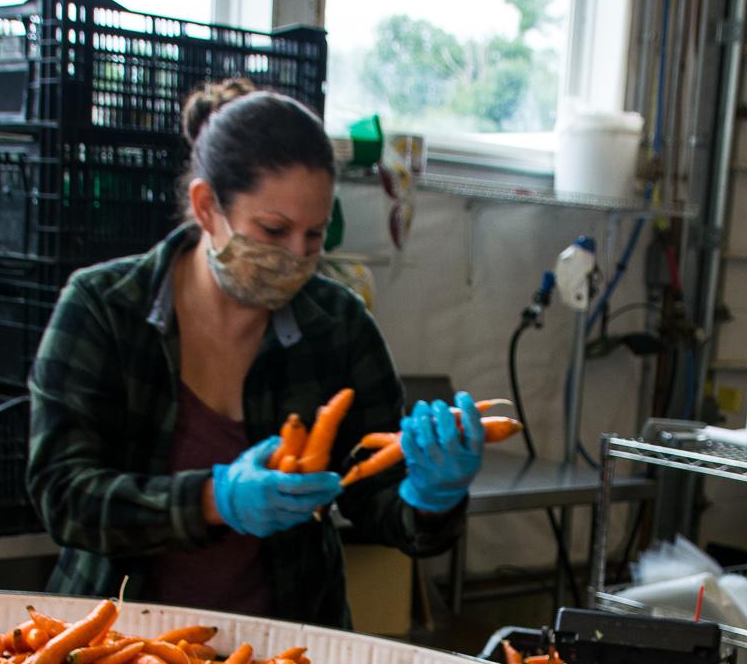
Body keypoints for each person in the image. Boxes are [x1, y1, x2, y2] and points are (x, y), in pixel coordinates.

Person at [27, 78, 483, 624]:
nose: (296, 255)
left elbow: (376, 500)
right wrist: (215, 499)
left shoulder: (336, 328)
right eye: (273, 230)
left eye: (314, 236)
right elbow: (63, 495)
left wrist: (431, 496)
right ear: (206, 207)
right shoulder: (104, 309)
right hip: (120, 653)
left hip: (287, 658)